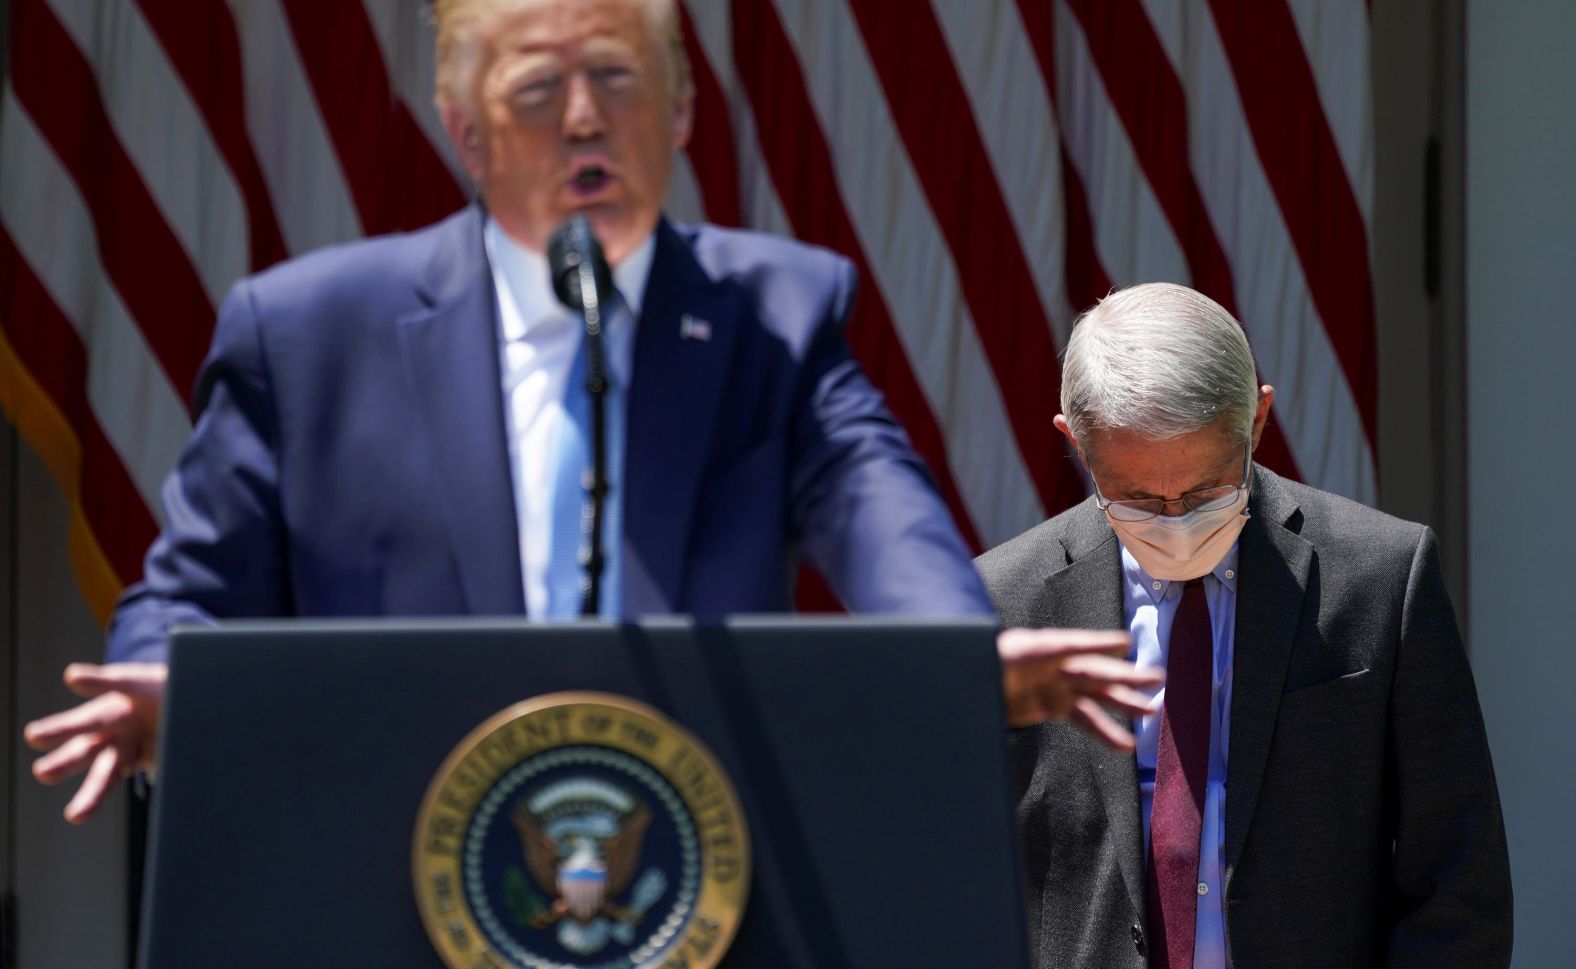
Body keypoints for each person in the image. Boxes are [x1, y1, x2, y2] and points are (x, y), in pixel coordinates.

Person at [25, 0, 1158, 823]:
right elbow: (188, 599)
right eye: (534, 89)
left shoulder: (775, 314)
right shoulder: (305, 334)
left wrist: (953, 655)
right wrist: (177, 693)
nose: (581, 120)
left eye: (616, 78)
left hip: (699, 870)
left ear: (679, 110)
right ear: (464, 133)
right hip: (393, 869)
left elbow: (879, 516)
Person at [977, 282, 1512, 968]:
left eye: (1204, 491)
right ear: (1077, 444)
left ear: (1257, 421)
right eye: (1138, 497)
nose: (1174, 522)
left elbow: (1459, 875)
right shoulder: (1003, 604)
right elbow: (951, 871)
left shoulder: (1381, 578)